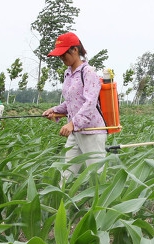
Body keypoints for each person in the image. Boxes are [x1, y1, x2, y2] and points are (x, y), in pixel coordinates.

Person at [43, 32, 108, 177]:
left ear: (75, 50)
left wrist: (72, 124)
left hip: (92, 131)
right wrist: (54, 110)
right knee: (66, 173)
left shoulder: (88, 72)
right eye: (59, 55)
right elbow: (71, 101)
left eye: (63, 54)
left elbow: (89, 103)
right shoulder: (68, 73)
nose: (61, 57)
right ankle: (61, 192)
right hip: (76, 132)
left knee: (96, 176)